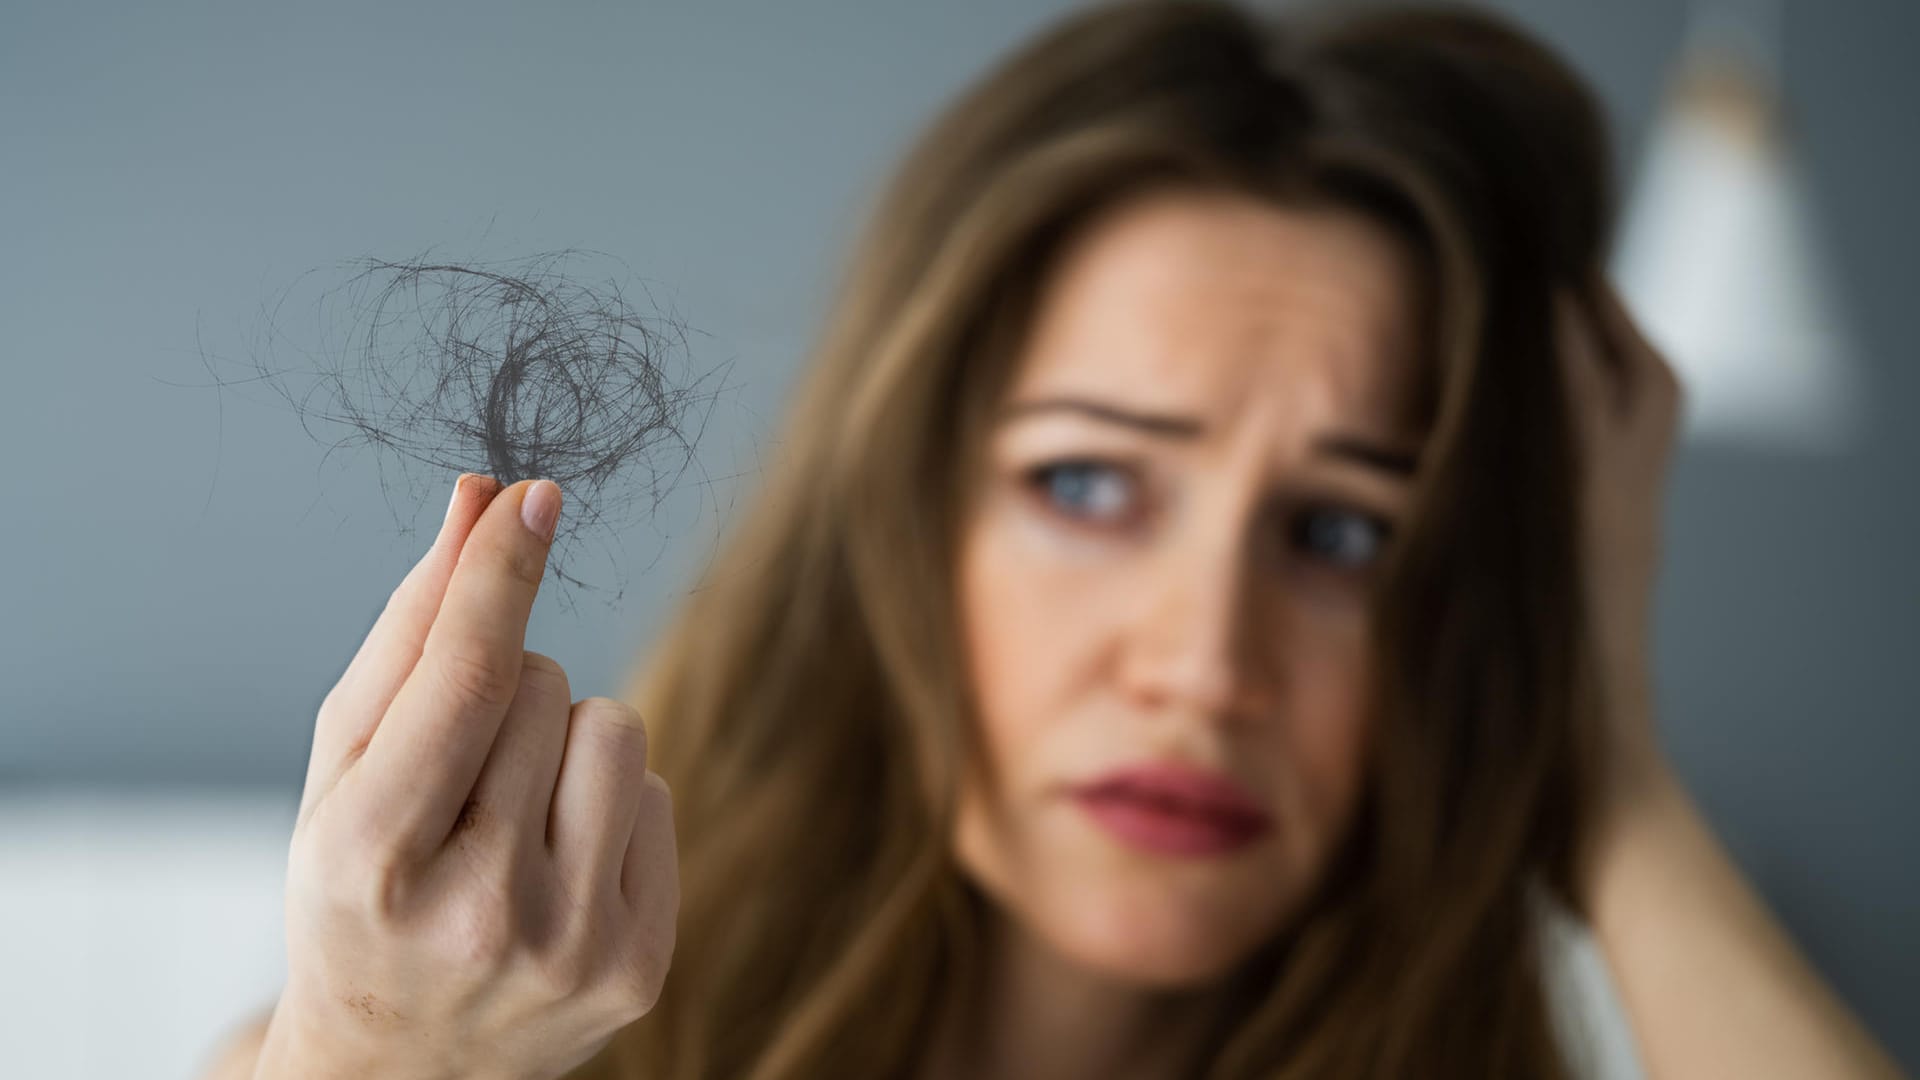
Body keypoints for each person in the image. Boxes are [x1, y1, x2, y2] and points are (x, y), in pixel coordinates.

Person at [204, 1, 1909, 1077]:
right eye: (1089, 486)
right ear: (900, 517)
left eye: (1341, 531)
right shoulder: (480, 1030)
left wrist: (1599, 751)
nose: (1202, 664)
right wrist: (375, 1061)